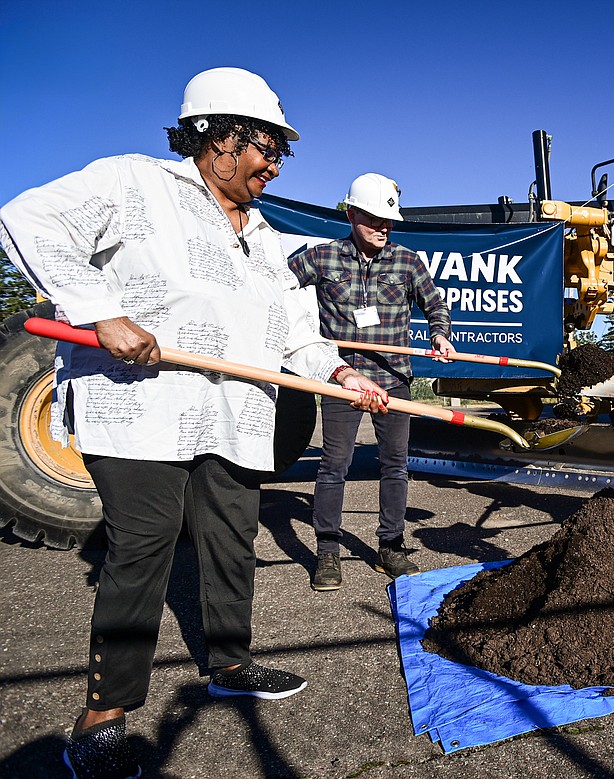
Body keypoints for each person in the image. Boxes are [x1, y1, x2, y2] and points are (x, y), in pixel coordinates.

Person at [0, 67, 389, 779]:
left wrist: (338, 373)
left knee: (232, 537)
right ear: (218, 137)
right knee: (144, 547)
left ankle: (231, 663)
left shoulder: (264, 233)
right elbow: (25, 216)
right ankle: (102, 716)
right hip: (141, 409)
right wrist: (97, 311)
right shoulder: (134, 183)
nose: (274, 164)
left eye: (279, 153)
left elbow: (294, 327)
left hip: (234, 412)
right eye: (267, 147)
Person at [289, 173, 454, 591]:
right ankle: (327, 551)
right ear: (352, 213)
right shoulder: (323, 258)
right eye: (375, 218)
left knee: (395, 465)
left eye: (389, 220)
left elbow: (436, 304)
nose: (383, 227)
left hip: (394, 378)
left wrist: (440, 333)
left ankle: (391, 547)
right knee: (334, 465)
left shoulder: (407, 261)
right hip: (341, 381)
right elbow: (275, 287)